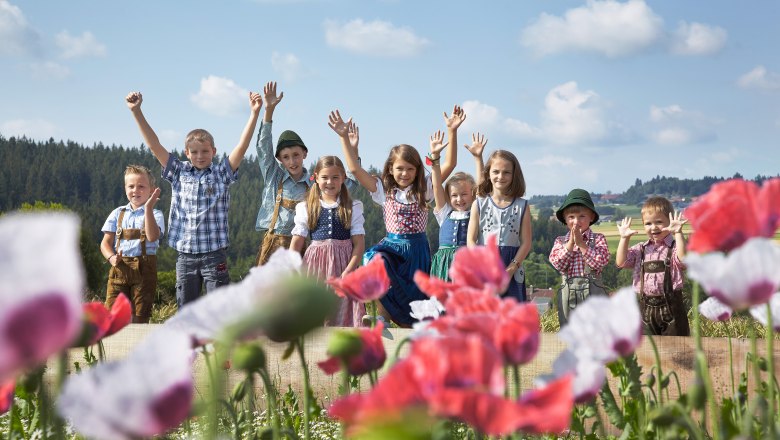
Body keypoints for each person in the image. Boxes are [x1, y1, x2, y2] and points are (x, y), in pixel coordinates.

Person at [125, 88, 262, 308]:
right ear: (187, 153)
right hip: (185, 256)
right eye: (195, 152)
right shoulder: (178, 172)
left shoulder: (221, 174)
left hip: (214, 255)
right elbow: (153, 145)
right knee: (186, 312)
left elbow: (242, 147)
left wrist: (254, 114)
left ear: (214, 151)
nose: (200, 156)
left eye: (205, 151)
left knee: (219, 312)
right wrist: (136, 111)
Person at [330, 108, 460, 327]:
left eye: (410, 169)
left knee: (416, 296)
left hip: (417, 249)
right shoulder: (383, 190)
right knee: (373, 260)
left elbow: (450, 165)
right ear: (390, 169)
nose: (404, 173)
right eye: (400, 168)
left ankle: (413, 327)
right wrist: (343, 137)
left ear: (418, 170)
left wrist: (452, 132)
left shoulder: (424, 189)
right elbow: (354, 168)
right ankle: (382, 315)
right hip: (392, 246)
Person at [290, 155, 366, 327]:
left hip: (344, 265)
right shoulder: (306, 207)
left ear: (343, 179)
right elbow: (297, 243)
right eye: (324, 177)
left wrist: (349, 271)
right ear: (316, 177)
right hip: (315, 266)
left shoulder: (352, 207)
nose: (329, 182)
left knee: (343, 312)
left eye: (335, 177)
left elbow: (359, 244)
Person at [616, 196, 690, 336]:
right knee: (646, 352)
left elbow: (683, 260)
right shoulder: (640, 249)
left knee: (677, 350)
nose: (654, 227)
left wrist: (678, 234)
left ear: (670, 222)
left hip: (672, 309)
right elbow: (621, 262)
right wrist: (624, 238)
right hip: (645, 310)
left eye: (659, 222)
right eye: (648, 223)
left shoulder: (675, 248)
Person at [100, 165, 164, 323]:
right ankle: (114, 347)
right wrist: (111, 257)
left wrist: (148, 208)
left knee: (140, 315)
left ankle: (137, 347)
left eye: (141, 186)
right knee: (113, 314)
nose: (136, 190)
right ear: (125, 188)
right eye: (131, 186)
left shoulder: (155, 213)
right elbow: (105, 243)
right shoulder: (118, 213)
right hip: (119, 268)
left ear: (151, 190)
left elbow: (152, 236)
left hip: (144, 270)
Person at [467, 149, 532, 301]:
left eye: (506, 172)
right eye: (496, 171)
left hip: (512, 267)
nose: (500, 177)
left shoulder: (522, 205)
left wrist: (511, 269)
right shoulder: (479, 204)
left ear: (514, 175)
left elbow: (526, 242)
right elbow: (471, 239)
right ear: (488, 173)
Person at [429, 127, 487, 281]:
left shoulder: (476, 211)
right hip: (444, 266)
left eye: (464, 194)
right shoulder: (445, 213)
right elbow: (436, 185)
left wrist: (478, 158)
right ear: (448, 197)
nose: (459, 199)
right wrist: (435, 158)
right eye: (454, 195)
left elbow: (481, 188)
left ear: (472, 194)